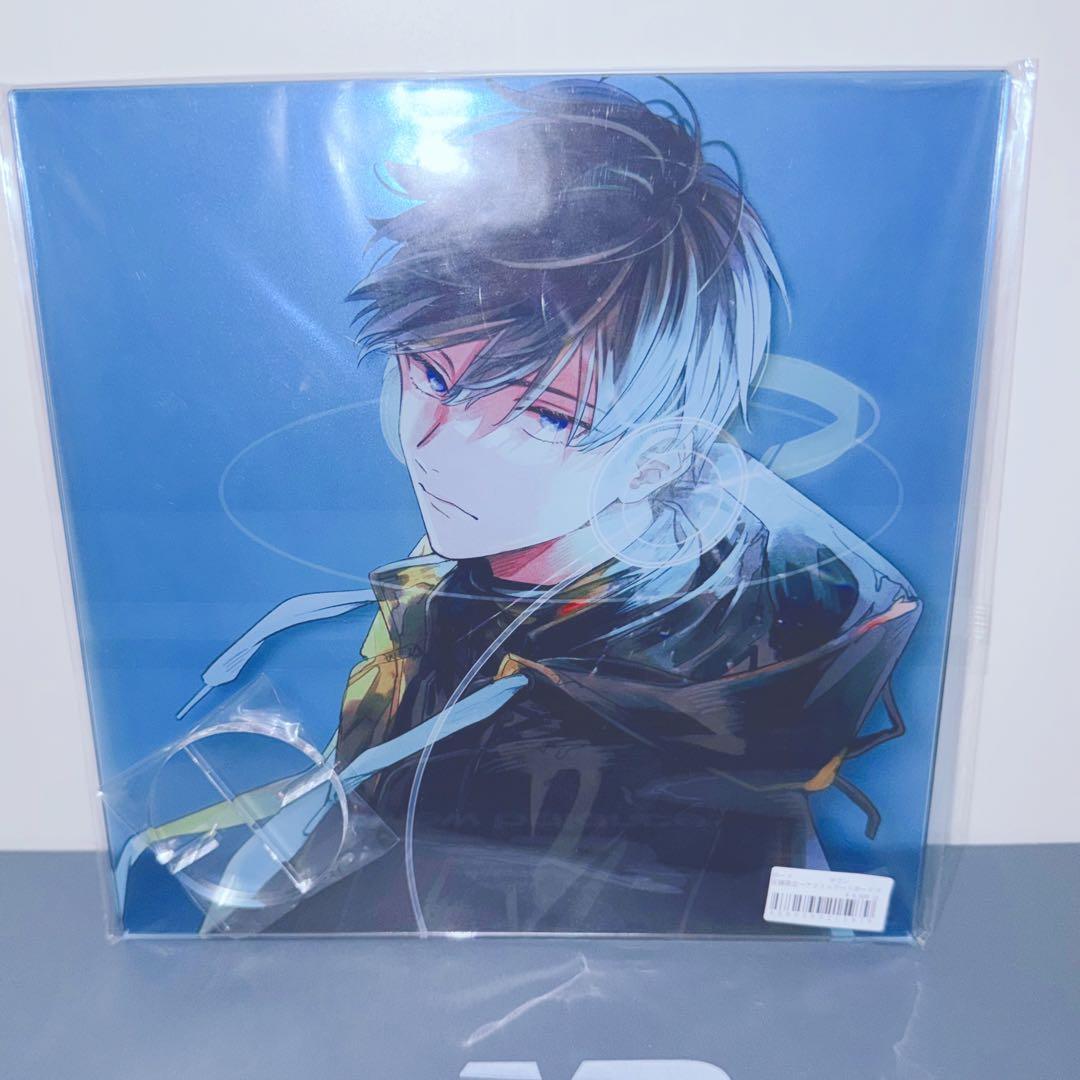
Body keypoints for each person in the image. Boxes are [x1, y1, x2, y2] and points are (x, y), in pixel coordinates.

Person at [119, 79, 920, 935]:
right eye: (430, 372)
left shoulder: (628, 739)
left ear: (659, 459)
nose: (437, 441)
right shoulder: (492, 586)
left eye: (544, 417)